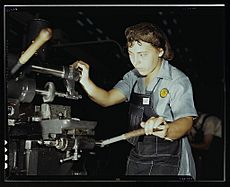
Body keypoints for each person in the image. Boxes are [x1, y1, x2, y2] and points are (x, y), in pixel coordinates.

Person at [72, 22, 198, 179]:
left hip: (168, 162)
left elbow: (186, 121)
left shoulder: (177, 80)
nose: (136, 62)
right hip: (137, 158)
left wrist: (167, 129)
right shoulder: (133, 76)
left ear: (160, 51)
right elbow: (107, 98)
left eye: (142, 54)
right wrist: (85, 81)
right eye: (131, 54)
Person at [188, 112, 223, 180]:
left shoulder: (210, 121)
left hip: (217, 153)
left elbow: (206, 145)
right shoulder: (195, 124)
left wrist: (189, 145)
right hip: (205, 155)